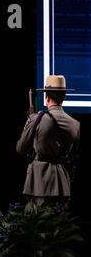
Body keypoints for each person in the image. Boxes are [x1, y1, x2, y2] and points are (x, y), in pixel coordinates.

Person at [16, 75, 80, 207]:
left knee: (40, 223)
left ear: (47, 97)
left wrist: (28, 125)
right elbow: (73, 154)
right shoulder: (75, 124)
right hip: (62, 180)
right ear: (64, 97)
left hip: (39, 180)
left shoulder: (37, 119)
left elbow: (21, 148)